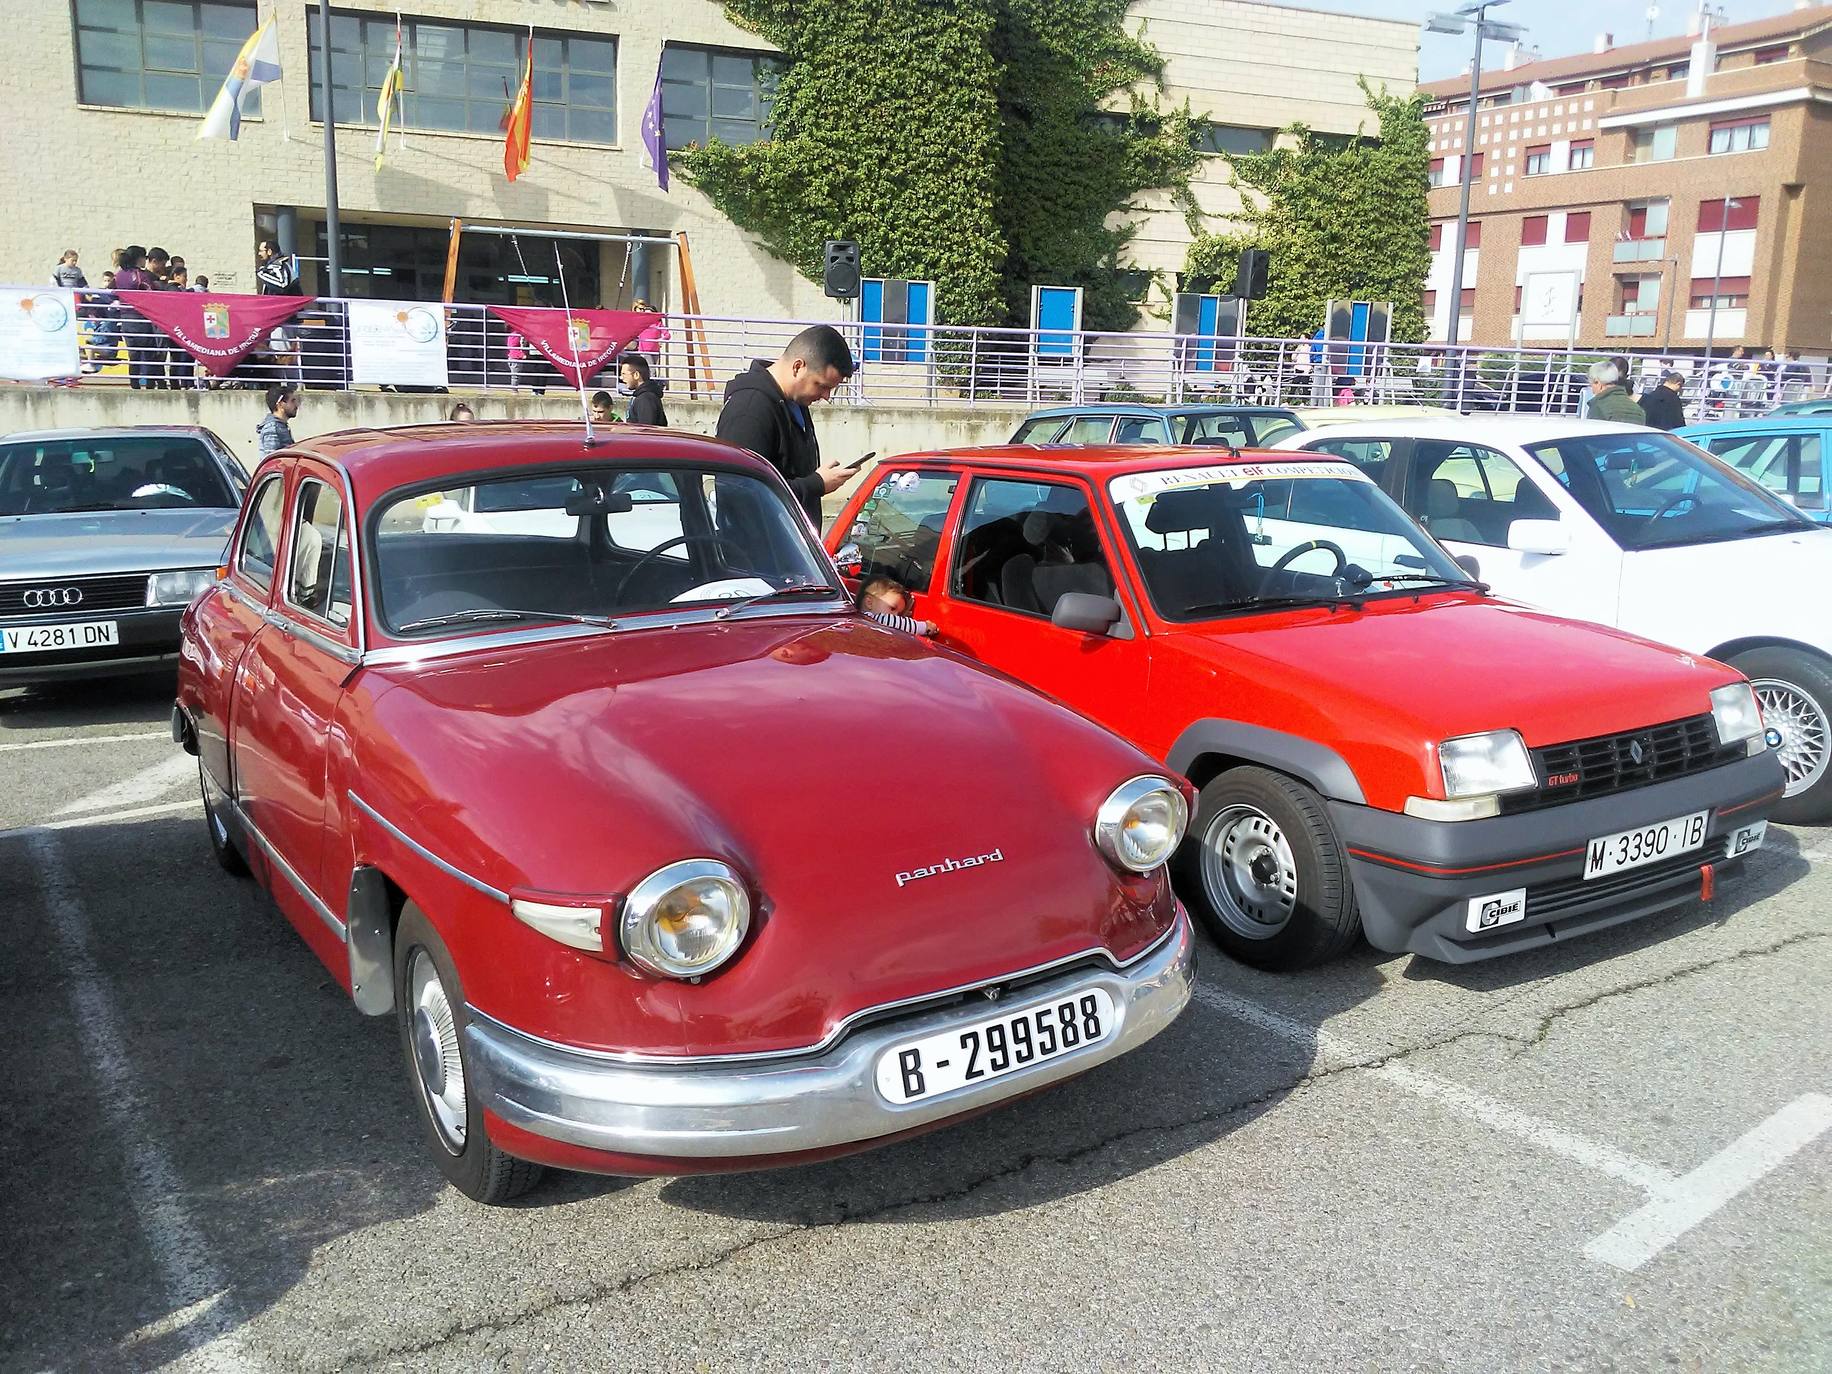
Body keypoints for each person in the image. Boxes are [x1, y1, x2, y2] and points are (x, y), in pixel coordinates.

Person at [716, 325, 858, 526]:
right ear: (798, 367)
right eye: (822, 386)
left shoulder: (794, 402)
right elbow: (740, 493)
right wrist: (815, 484)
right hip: (757, 551)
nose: (826, 397)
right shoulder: (749, 410)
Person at [857, 576, 935, 637]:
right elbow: (890, 621)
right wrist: (924, 627)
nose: (896, 616)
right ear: (869, 603)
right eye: (892, 608)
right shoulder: (871, 618)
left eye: (899, 614)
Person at [1584, 360, 1646, 424]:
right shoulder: (1638, 410)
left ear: (1597, 382)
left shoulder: (1598, 407)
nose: (1592, 390)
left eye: (1591, 384)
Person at [619, 353, 667, 426]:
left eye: (624, 374)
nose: (621, 378)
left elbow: (646, 430)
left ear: (636, 375)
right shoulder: (641, 396)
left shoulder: (645, 399)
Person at [258, 384, 299, 455]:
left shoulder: (280, 426)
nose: (296, 405)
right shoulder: (273, 429)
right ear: (280, 404)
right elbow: (273, 462)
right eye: (292, 401)